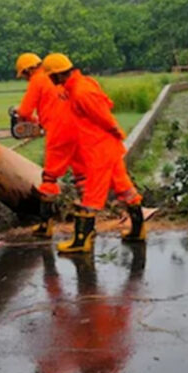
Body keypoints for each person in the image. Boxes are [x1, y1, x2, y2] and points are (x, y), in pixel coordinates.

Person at [41, 53, 146, 253]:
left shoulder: (81, 91)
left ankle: (82, 240)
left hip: (100, 149)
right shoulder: (77, 87)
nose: (50, 81)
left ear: (56, 75)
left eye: (50, 76)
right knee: (124, 188)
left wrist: (116, 130)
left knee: (91, 195)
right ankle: (138, 230)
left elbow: (103, 115)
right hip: (106, 148)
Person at [13, 53, 84, 238]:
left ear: (29, 70)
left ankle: (46, 225)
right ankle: (86, 224)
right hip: (76, 128)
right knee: (82, 177)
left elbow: (25, 111)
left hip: (58, 132)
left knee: (50, 179)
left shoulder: (37, 81)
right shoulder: (56, 76)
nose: (26, 78)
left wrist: (22, 116)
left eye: (25, 75)